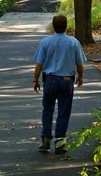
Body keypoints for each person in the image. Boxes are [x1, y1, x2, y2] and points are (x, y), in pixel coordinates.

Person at [32, 14, 87, 154]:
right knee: (64, 111)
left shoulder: (45, 42)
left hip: (50, 80)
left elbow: (39, 63)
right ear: (66, 26)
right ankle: (60, 143)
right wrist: (80, 76)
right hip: (66, 80)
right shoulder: (73, 42)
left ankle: (45, 140)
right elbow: (79, 63)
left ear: (53, 26)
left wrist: (35, 79)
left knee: (47, 109)